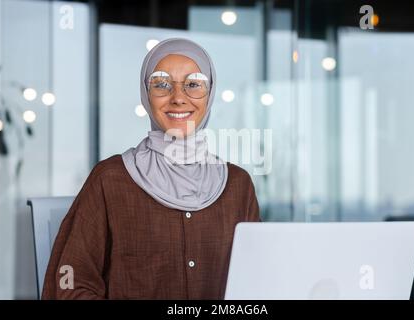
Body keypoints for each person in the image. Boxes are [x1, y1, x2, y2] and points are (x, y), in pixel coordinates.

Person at [42, 38, 261, 299]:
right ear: (146, 95)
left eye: (193, 84)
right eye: (161, 84)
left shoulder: (238, 186)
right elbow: (70, 284)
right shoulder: (111, 180)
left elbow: (259, 281)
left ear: (210, 94)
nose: (179, 98)